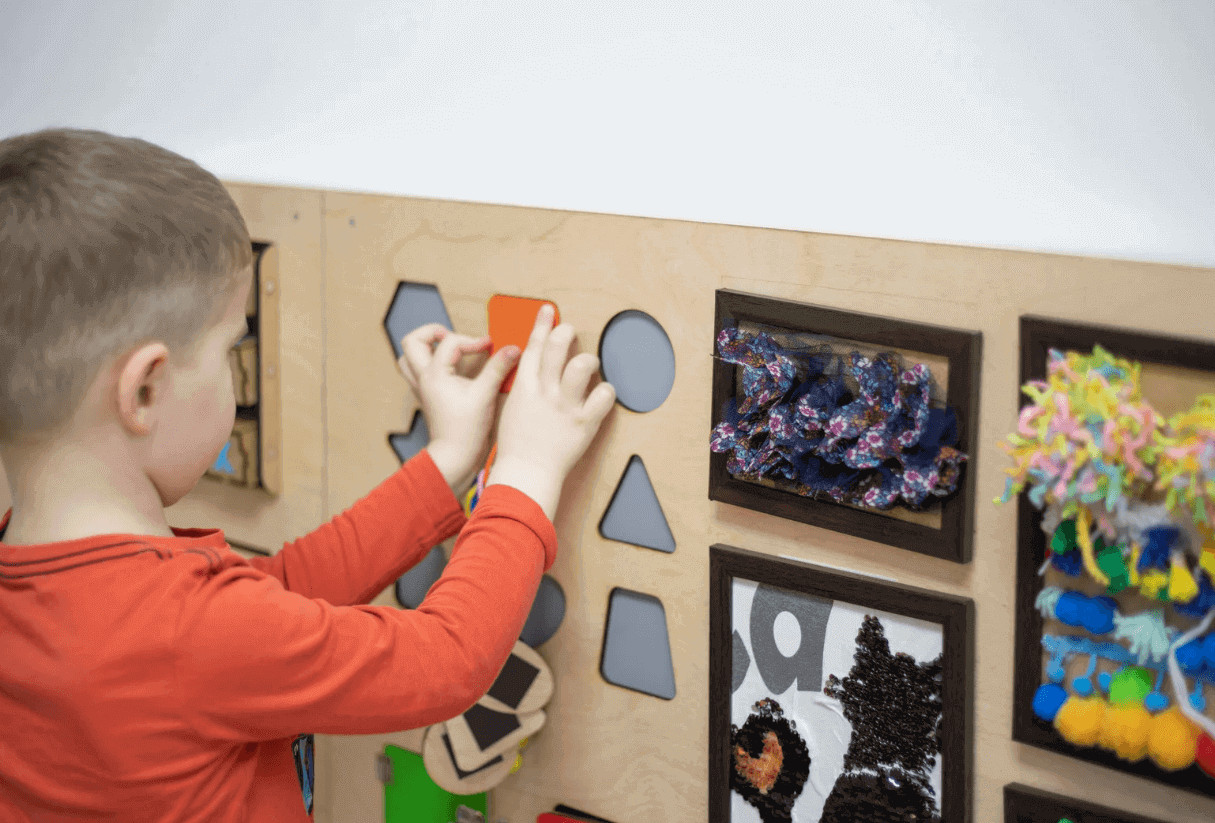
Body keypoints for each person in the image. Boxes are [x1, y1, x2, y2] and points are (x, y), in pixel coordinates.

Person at [0, 128, 615, 822]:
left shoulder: (60, 585)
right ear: (145, 390)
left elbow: (280, 592)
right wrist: (527, 469)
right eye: (230, 348)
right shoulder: (185, 628)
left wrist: (446, 462)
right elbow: (444, 661)